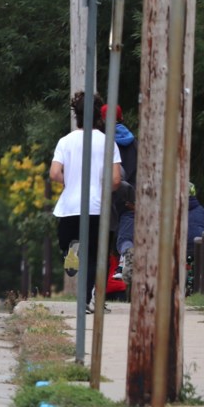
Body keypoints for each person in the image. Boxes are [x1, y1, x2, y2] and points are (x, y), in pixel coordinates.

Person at [49, 91, 122, 314]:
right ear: (99, 115)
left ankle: (70, 251)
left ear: (76, 116)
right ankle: (86, 302)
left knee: (69, 243)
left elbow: (54, 173)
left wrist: (69, 181)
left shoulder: (65, 141)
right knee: (93, 258)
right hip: (96, 208)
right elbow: (116, 179)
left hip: (70, 207)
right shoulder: (108, 141)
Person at [102, 104, 137, 283]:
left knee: (103, 240)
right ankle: (124, 258)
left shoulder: (102, 141)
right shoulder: (134, 142)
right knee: (125, 235)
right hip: (130, 195)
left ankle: (96, 285)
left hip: (107, 194)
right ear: (121, 117)